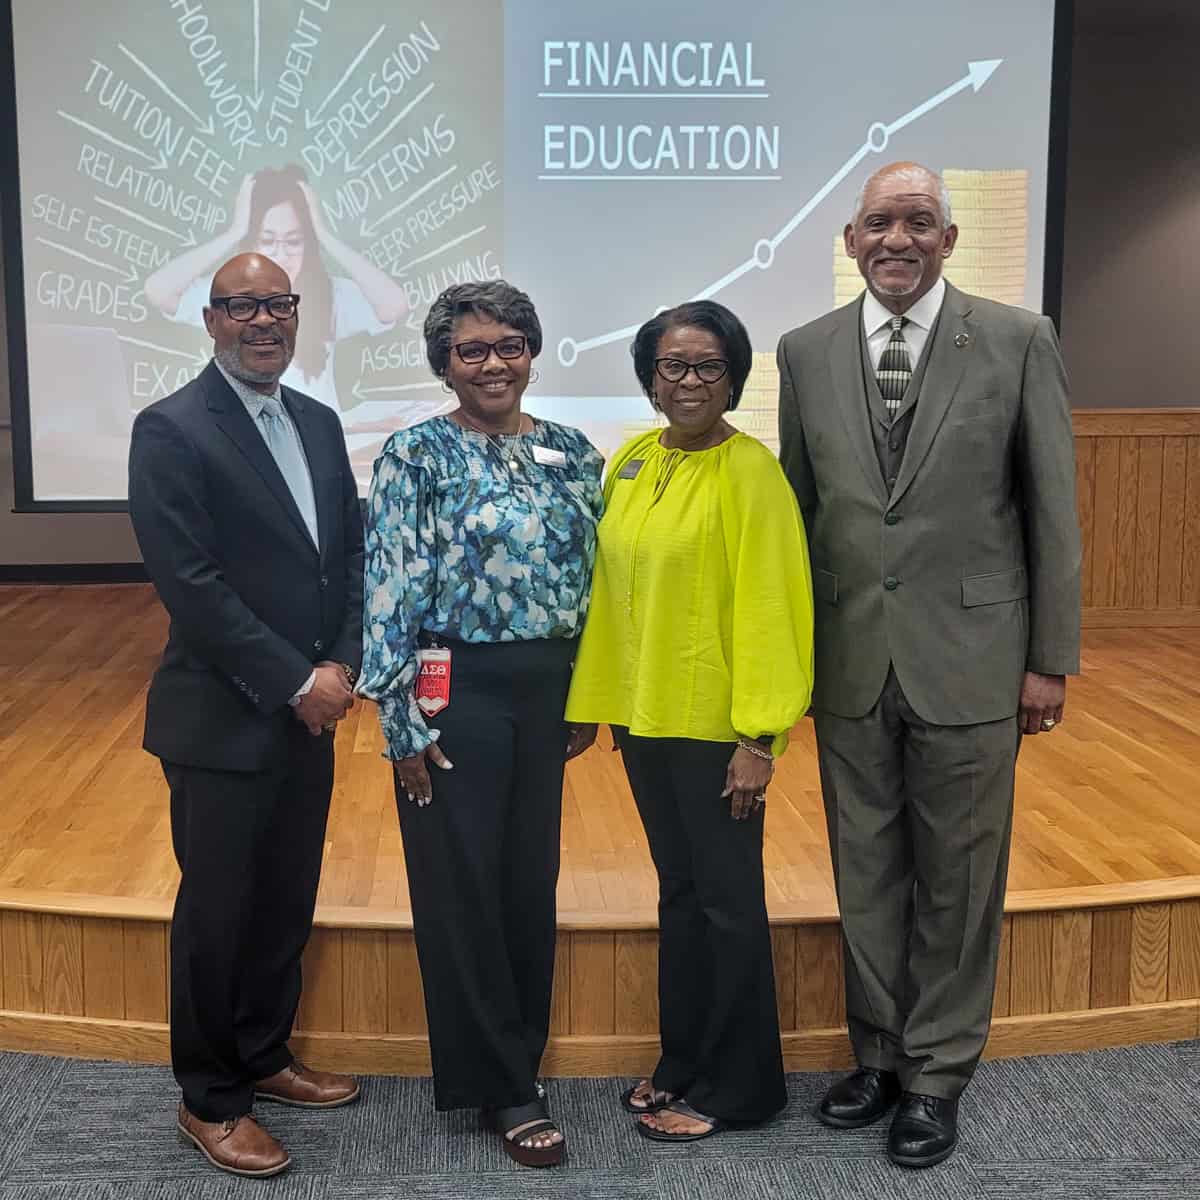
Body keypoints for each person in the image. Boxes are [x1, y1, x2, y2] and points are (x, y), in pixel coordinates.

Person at [777, 162, 1082, 1168]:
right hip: (852, 660)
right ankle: (880, 1053)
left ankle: (939, 1072)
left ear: (949, 240)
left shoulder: (1016, 340)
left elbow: (1050, 513)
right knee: (866, 870)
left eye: (918, 222)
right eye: (878, 223)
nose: (896, 238)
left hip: (976, 663)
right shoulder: (806, 352)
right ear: (850, 239)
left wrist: (1049, 661)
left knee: (958, 876)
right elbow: (805, 515)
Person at [128, 252, 365, 1179]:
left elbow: (344, 554)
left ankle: (264, 1055)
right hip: (221, 720)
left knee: (283, 900)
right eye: (243, 307)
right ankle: (211, 1096)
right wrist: (296, 681)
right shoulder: (172, 428)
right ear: (212, 319)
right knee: (218, 912)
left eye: (279, 304)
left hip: (309, 711)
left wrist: (340, 662)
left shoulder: (317, 421)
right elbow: (191, 587)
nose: (263, 321)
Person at [357, 280, 603, 1167]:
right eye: (472, 350)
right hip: (449, 690)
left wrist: (589, 694)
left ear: (533, 351)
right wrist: (401, 722)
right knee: (460, 887)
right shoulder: (413, 455)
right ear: (444, 364)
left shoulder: (574, 452)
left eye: (509, 344)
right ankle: (501, 1084)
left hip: (547, 693)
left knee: (526, 881)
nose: (493, 362)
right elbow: (387, 587)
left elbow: (593, 585)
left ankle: (517, 1057)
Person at [565, 300, 815, 1143]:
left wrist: (759, 737)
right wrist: (593, 705)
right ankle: (684, 1061)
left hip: (717, 730)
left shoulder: (752, 475)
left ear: (735, 378)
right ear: (649, 377)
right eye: (673, 366)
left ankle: (743, 1088)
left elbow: (776, 608)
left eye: (709, 366)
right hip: (646, 719)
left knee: (728, 903)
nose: (690, 381)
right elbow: (610, 592)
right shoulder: (634, 458)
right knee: (681, 897)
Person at [144, 165, 437, 432]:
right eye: (267, 240)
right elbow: (158, 290)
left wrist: (324, 235)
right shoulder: (227, 288)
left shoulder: (329, 294)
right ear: (213, 320)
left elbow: (394, 305)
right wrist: (234, 232)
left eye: (294, 241)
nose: (281, 253)